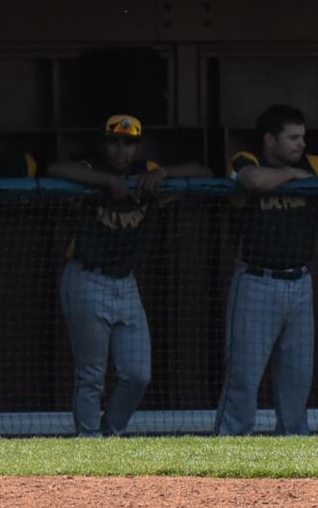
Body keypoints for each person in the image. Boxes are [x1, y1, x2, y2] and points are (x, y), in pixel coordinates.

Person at [44, 114, 211, 436]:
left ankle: (111, 431)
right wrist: (107, 182)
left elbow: (203, 172)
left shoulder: (146, 172)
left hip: (126, 282)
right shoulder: (90, 169)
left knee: (138, 374)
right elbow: (54, 169)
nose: (121, 150)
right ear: (104, 143)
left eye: (129, 143)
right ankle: (89, 441)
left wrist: (163, 172)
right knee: (92, 374)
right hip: (86, 277)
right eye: (114, 142)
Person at [214, 104, 318, 435]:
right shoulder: (246, 159)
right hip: (255, 281)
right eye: (292, 138)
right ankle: (230, 447)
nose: (300, 145)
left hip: (299, 283)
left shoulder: (315, 164)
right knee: (244, 375)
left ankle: (294, 444)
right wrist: (293, 177)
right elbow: (251, 181)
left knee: (297, 375)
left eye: (302, 138)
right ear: (269, 139)